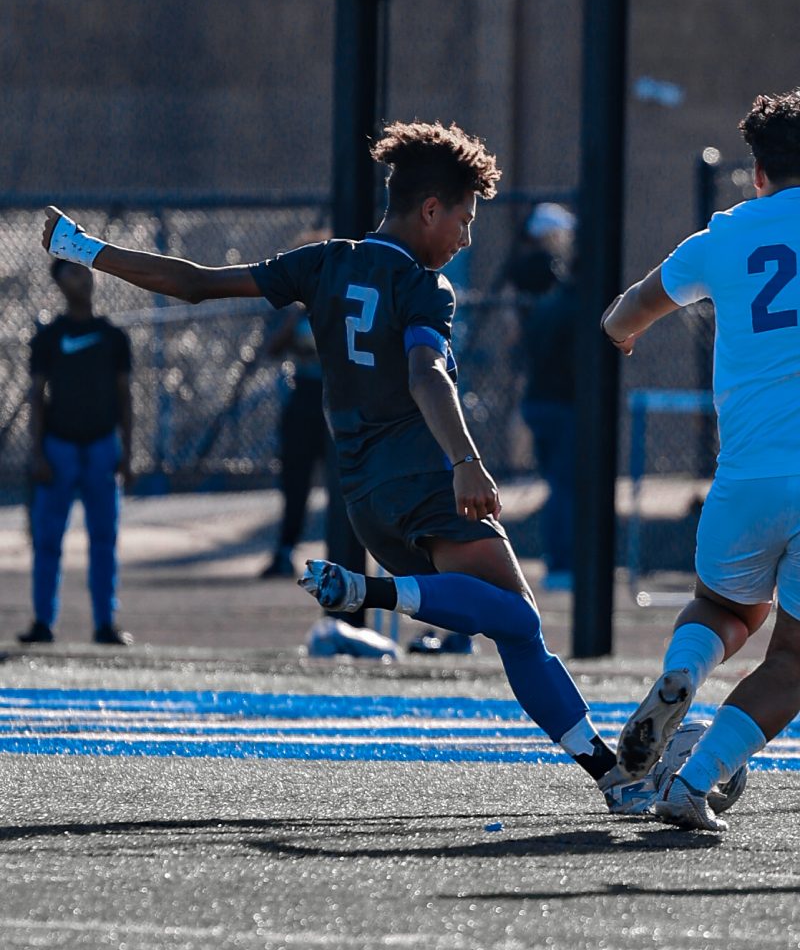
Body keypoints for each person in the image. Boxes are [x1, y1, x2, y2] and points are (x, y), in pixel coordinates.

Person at [42, 121, 669, 815]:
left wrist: (84, 247)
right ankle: (373, 598)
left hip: (365, 499)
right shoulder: (426, 288)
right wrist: (466, 460)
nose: (465, 238)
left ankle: (612, 775)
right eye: (463, 219)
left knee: (514, 623)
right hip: (426, 480)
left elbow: (192, 285)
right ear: (430, 210)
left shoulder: (323, 263)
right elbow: (428, 373)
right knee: (517, 624)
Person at [602, 88, 800, 832]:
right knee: (795, 662)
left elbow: (622, 315)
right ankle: (696, 784)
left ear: (757, 172)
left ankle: (684, 673)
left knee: (724, 608)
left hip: (745, 477)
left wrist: (625, 335)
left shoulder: (720, 237)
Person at [19, 259, 134, 646]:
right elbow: (36, 397)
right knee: (48, 540)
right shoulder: (48, 338)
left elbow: (125, 397)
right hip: (59, 450)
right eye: (71, 272)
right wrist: (37, 453)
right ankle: (42, 623)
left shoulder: (113, 337)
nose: (82, 277)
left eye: (85, 270)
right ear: (58, 283)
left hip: (102, 447)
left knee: (104, 539)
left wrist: (127, 453)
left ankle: (105, 623)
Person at [515, 205, 578, 590]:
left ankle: (558, 559)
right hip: (562, 404)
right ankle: (561, 562)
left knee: (557, 485)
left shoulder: (541, 309)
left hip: (538, 400)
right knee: (565, 487)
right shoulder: (570, 308)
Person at [258, 304, 326, 578]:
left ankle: (346, 553)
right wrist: (290, 324)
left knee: (347, 483)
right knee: (295, 481)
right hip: (305, 397)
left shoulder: (343, 302)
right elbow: (271, 350)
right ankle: (286, 550)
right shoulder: (298, 314)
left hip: (339, 397)